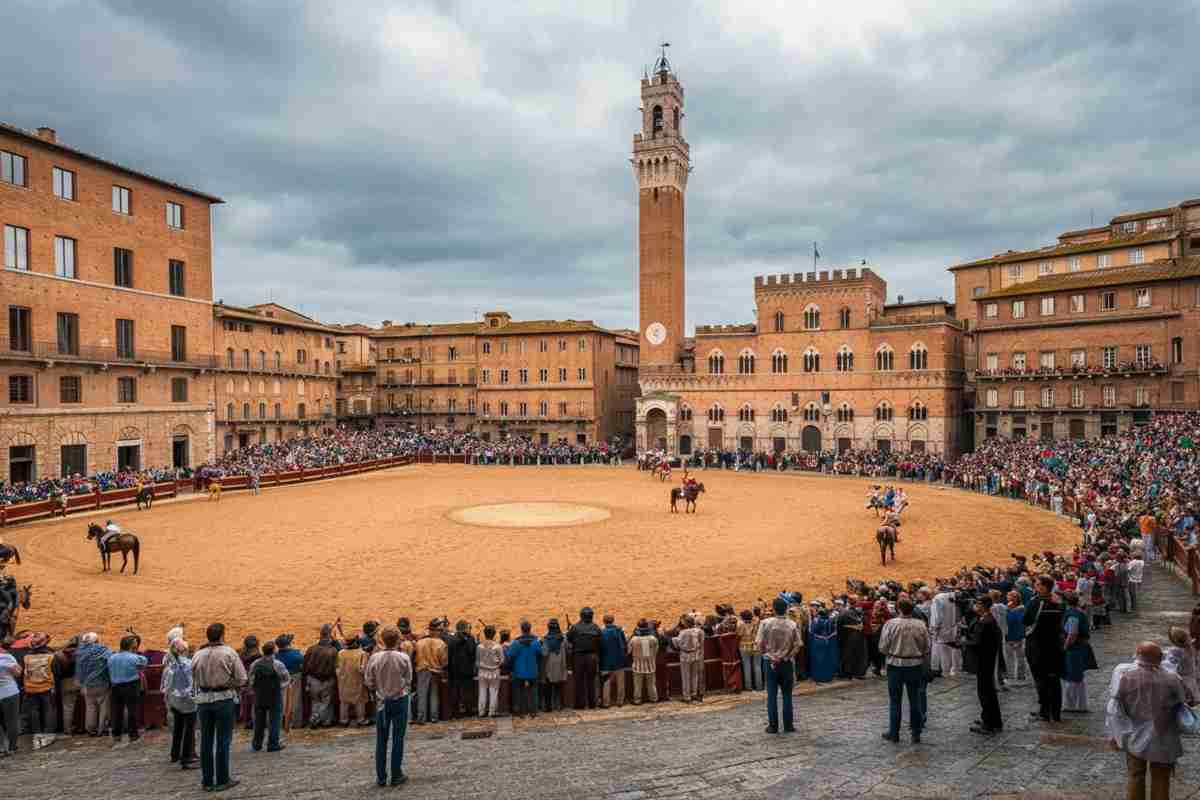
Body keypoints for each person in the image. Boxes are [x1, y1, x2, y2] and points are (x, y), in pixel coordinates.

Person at [1106, 642, 1187, 800]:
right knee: (1161, 778)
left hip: (1134, 734)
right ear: (1159, 658)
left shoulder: (1124, 675)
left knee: (1136, 776)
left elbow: (1114, 710)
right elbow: (1182, 702)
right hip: (1164, 736)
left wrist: (1114, 735)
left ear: (1137, 655)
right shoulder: (1171, 679)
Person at [191, 622, 247, 793]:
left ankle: (207, 781)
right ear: (223, 635)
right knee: (223, 740)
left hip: (203, 699)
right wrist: (230, 683)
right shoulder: (229, 652)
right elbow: (241, 678)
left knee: (206, 741)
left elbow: (193, 675)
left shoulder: (198, 654)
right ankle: (222, 779)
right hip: (223, 698)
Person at [364, 625, 413, 788]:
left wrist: (379, 689)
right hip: (399, 699)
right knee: (398, 738)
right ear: (398, 639)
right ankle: (396, 773)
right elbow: (408, 679)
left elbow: (369, 682)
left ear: (382, 640)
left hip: (381, 702)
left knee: (381, 740)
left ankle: (381, 776)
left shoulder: (374, 658)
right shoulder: (403, 657)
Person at [878, 597, 929, 744]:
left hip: (895, 665)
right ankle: (916, 732)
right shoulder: (920, 625)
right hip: (914, 665)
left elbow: (882, 647)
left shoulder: (891, 624)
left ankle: (894, 733)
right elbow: (926, 647)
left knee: (895, 701)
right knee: (915, 700)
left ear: (898, 609)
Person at [755, 597, 802, 734]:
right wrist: (787, 656)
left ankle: (773, 726)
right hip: (786, 663)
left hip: (770, 663)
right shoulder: (792, 624)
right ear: (786, 609)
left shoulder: (765, 623)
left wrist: (768, 656)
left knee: (771, 695)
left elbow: (759, 644)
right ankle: (788, 725)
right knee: (787, 695)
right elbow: (798, 645)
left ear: (774, 609)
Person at [1024, 575, 1065, 723]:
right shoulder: (1059, 602)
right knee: (1054, 680)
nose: (1035, 586)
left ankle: (1044, 711)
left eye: (1037, 584)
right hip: (1055, 647)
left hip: (1037, 647)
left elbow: (1026, 620)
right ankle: (1056, 712)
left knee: (1041, 680)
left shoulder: (1036, 602)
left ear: (1044, 587)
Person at [967, 595, 1003, 735]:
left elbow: (977, 642)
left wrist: (962, 643)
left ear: (983, 605)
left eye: (978, 603)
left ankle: (988, 724)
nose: (976, 605)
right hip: (987, 660)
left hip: (983, 661)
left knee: (985, 693)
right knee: (989, 692)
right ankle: (993, 720)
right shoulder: (987, 619)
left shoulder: (986, 622)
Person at [160, 637, 198, 769]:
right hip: (187, 703)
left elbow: (164, 688)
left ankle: (175, 753)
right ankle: (187, 758)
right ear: (185, 651)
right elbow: (192, 685)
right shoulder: (188, 664)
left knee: (178, 728)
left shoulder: (169, 665)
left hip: (174, 702)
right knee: (189, 730)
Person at [107, 632, 148, 747]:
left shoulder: (112, 657)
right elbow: (144, 662)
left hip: (115, 686)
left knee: (117, 711)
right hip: (131, 685)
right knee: (132, 711)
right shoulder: (135, 657)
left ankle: (116, 735)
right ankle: (133, 735)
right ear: (131, 646)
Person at [248, 641, 290, 752]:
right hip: (274, 695)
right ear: (274, 651)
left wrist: (255, 689)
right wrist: (280, 687)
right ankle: (273, 744)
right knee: (275, 721)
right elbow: (286, 679)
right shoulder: (278, 664)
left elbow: (251, 678)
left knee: (259, 721)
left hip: (260, 695)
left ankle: (257, 744)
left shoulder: (256, 663)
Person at [19, 633, 55, 750]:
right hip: (46, 687)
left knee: (34, 711)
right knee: (48, 709)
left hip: (30, 688)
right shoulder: (50, 656)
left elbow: (22, 673)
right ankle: (48, 733)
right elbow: (56, 672)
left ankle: (37, 734)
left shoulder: (26, 657)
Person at [1062, 591, 1095, 713]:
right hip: (1079, 647)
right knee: (1077, 678)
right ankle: (1080, 705)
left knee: (1072, 677)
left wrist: (1064, 647)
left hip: (1075, 649)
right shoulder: (1078, 612)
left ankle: (1071, 705)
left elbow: (1072, 634)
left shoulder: (1073, 614)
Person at [302, 624, 339, 728]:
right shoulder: (333, 651)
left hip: (312, 679)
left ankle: (318, 719)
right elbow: (335, 667)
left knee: (315, 701)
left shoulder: (311, 649)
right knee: (326, 702)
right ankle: (319, 720)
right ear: (329, 636)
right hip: (326, 679)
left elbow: (305, 666)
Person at [75, 632, 112, 737]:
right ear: (96, 640)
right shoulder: (102, 649)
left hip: (86, 684)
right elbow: (111, 658)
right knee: (104, 706)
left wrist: (81, 684)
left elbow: (78, 670)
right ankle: (102, 729)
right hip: (101, 682)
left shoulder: (80, 652)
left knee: (90, 707)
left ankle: (91, 729)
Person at [566, 607, 603, 710]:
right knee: (591, 681)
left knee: (578, 681)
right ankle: (592, 704)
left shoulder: (575, 627)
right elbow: (600, 641)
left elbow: (569, 639)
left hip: (578, 658)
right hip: (592, 657)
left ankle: (579, 704)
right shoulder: (596, 627)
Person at [412, 620, 447, 724]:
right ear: (435, 631)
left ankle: (421, 718)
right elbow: (444, 661)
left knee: (422, 694)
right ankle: (434, 717)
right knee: (434, 694)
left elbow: (414, 658)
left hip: (422, 670)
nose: (441, 632)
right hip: (435, 671)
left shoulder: (419, 643)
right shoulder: (441, 643)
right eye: (439, 630)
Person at [506, 620, 543, 717]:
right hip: (533, 671)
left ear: (521, 630)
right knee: (533, 692)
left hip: (519, 672)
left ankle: (521, 712)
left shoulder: (516, 643)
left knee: (519, 692)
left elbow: (509, 656)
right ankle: (533, 712)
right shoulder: (535, 642)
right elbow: (540, 653)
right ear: (530, 629)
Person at [446, 620, 477, 719]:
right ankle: (468, 711)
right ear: (465, 629)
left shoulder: (451, 639)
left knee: (455, 691)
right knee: (467, 691)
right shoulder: (470, 639)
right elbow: (473, 653)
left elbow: (449, 655)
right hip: (467, 671)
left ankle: (456, 712)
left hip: (454, 670)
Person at [51, 635, 82, 736]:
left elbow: (56, 672)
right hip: (78, 681)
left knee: (67, 707)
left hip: (64, 683)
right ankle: (79, 727)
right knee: (81, 706)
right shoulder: (80, 654)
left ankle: (67, 729)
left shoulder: (59, 655)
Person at [336, 637, 370, 726]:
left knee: (344, 702)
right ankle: (360, 719)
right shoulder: (362, 654)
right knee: (360, 702)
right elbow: (362, 670)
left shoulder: (341, 653)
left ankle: (343, 720)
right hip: (357, 682)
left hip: (343, 682)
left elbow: (337, 669)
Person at [672, 615, 705, 703]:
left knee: (686, 677)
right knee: (695, 675)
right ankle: (694, 694)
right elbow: (701, 642)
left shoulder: (683, 632)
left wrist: (673, 639)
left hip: (685, 656)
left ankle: (687, 697)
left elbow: (677, 644)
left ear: (686, 623)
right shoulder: (699, 631)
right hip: (696, 655)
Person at [273, 634, 303, 731]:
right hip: (294, 678)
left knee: (281, 700)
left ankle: (280, 722)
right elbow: (301, 661)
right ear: (288, 644)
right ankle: (295, 722)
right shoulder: (296, 655)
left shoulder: (275, 657)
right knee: (295, 700)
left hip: (279, 680)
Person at [930, 584, 961, 677]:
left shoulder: (938, 598)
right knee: (951, 649)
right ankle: (953, 670)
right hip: (953, 627)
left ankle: (943, 671)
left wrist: (934, 627)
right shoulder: (954, 596)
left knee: (943, 650)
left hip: (942, 628)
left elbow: (937, 616)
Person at [627, 620, 659, 705]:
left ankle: (637, 700)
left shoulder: (634, 639)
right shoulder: (653, 639)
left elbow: (628, 651)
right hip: (651, 665)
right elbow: (656, 651)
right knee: (652, 685)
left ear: (638, 627)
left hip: (638, 666)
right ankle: (654, 699)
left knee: (637, 686)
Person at [540, 619, 568, 712]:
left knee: (548, 688)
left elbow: (544, 653)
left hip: (550, 666)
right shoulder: (563, 638)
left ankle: (548, 707)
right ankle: (560, 706)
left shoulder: (546, 639)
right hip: (561, 665)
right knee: (559, 687)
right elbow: (568, 647)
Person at [600, 614, 627, 708]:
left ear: (604, 622)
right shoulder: (619, 631)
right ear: (613, 621)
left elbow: (600, 647)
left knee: (606, 683)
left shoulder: (602, 632)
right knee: (620, 682)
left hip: (606, 662)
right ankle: (620, 701)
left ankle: (606, 703)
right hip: (619, 661)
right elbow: (624, 645)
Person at [807, 604, 839, 683]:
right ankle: (828, 677)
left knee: (818, 661)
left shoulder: (816, 620)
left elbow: (811, 632)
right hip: (829, 643)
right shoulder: (831, 621)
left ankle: (818, 677)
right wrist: (828, 637)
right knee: (828, 660)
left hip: (818, 643)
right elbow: (835, 632)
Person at [476, 626, 503, 718]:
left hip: (482, 671)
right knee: (493, 692)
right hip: (494, 671)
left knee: (482, 691)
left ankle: (481, 711)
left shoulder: (479, 646)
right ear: (494, 634)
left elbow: (477, 661)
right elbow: (502, 660)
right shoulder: (498, 646)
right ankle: (492, 712)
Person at [0, 641, 20, 755]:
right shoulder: (6, 657)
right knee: (12, 721)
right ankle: (12, 747)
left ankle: (1, 748)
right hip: (10, 693)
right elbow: (18, 673)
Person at [1004, 591, 1027, 684]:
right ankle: (1011, 676)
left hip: (1016, 636)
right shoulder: (1010, 608)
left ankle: (1020, 676)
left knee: (1019, 657)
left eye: (1008, 597)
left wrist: (1008, 610)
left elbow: (1017, 622)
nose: (1007, 598)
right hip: (1011, 635)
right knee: (1011, 657)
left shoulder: (1019, 610)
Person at [736, 609, 762, 690]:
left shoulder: (741, 625)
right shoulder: (756, 623)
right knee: (757, 666)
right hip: (756, 646)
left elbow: (738, 636)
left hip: (744, 647)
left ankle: (748, 687)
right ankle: (759, 686)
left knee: (746, 666)